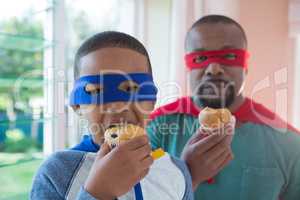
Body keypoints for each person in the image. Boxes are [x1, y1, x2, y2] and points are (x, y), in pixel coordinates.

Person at [147, 15, 300, 200]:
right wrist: (186, 174)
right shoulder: (157, 127)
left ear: (246, 66)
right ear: (188, 68)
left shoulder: (289, 143)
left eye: (229, 56)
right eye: (201, 57)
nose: (213, 69)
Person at [30, 31, 194, 200]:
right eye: (97, 91)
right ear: (77, 106)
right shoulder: (55, 173)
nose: (118, 106)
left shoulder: (176, 171)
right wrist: (98, 192)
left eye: (132, 89)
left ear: (152, 101)